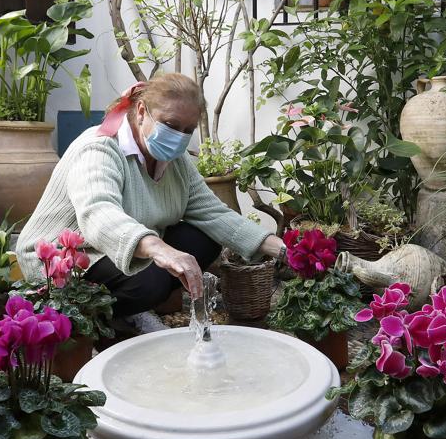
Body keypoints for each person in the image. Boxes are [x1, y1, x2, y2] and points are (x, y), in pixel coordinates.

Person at [16, 73, 285, 331]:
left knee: (203, 238)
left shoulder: (175, 161)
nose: (179, 136)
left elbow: (214, 213)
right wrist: (159, 249)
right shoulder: (99, 149)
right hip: (65, 257)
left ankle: (129, 309)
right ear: (142, 111)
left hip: (119, 250)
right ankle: (100, 322)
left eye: (187, 130)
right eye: (170, 125)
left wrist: (283, 250)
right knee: (149, 279)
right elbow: (98, 214)